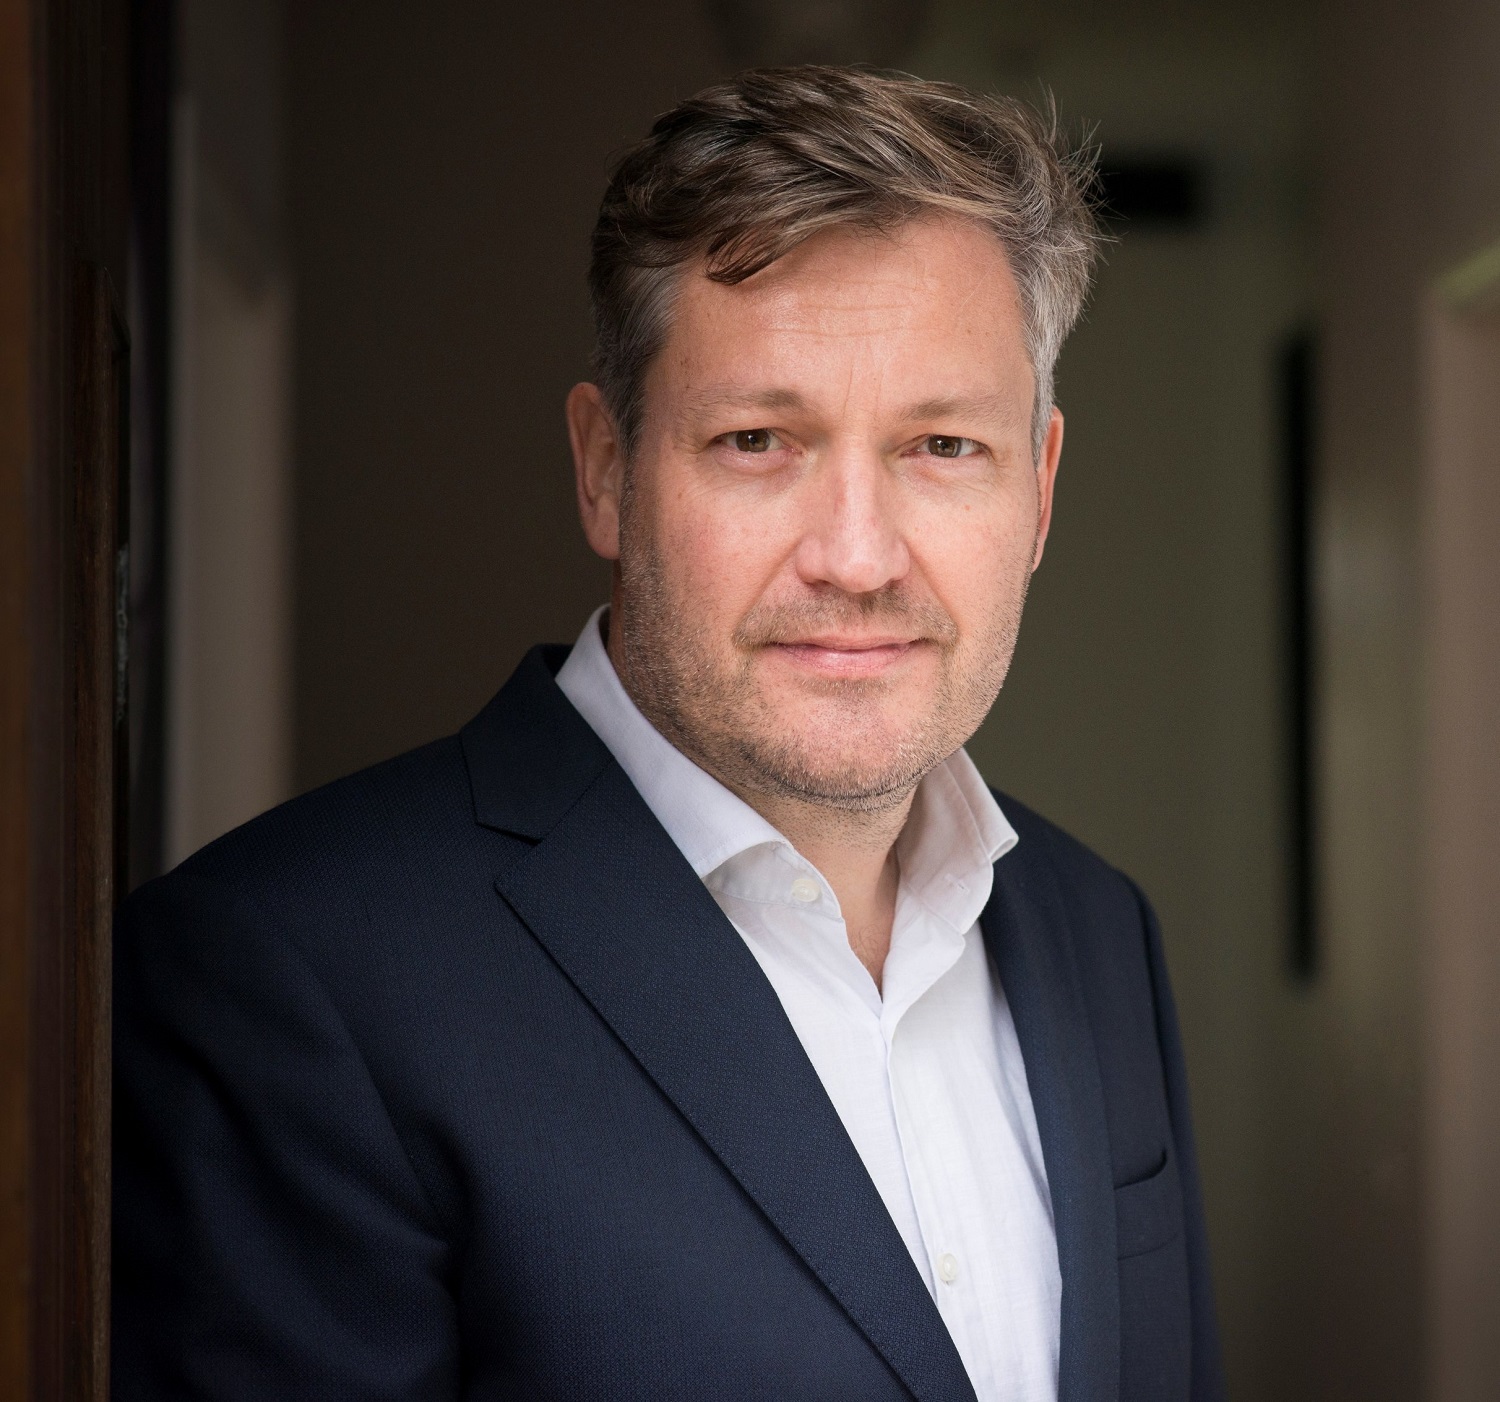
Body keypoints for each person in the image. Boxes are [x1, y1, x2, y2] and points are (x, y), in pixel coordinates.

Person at [114, 66, 1222, 1402]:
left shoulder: (1099, 932)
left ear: (1038, 490)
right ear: (605, 469)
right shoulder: (287, 974)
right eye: (758, 440)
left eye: (942, 446)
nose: (858, 556)